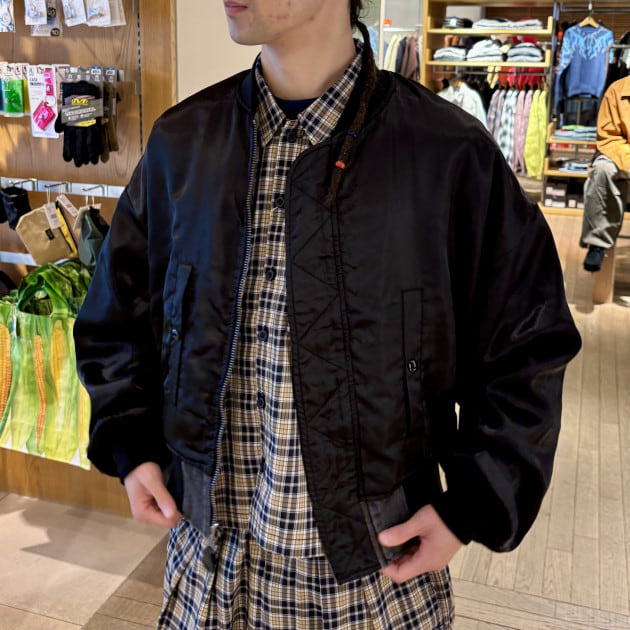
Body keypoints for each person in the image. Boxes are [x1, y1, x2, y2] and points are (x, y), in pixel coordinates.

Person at [74, 1, 581, 628]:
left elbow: (527, 341)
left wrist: (474, 502)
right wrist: (130, 441)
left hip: (373, 578)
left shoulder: (446, 152)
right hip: (205, 568)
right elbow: (118, 315)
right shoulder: (184, 142)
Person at [581, 75, 630, 272]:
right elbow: (609, 138)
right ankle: (597, 243)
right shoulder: (618, 91)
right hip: (623, 157)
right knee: (602, 169)